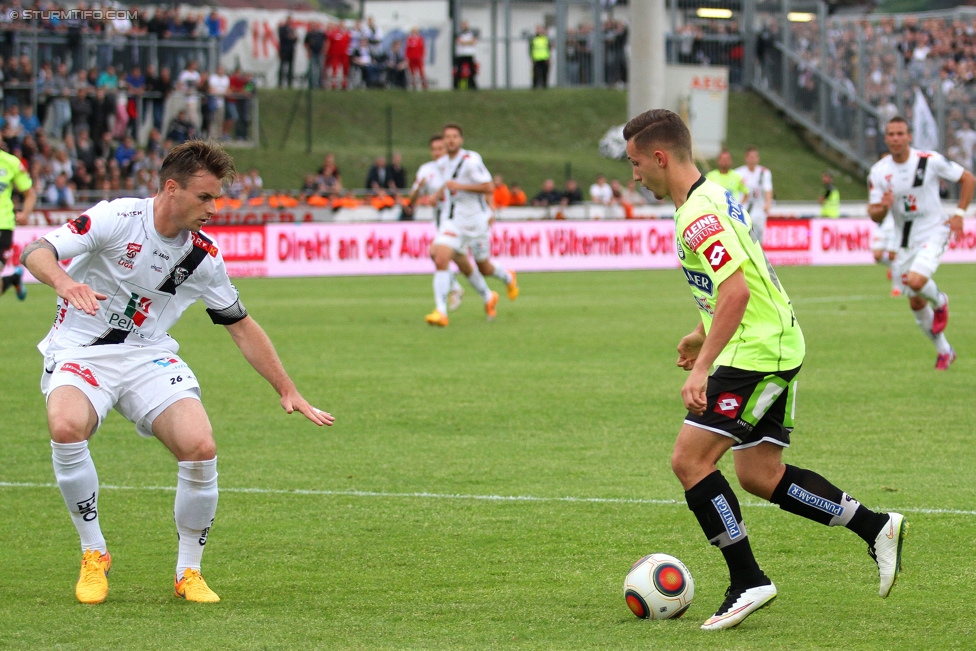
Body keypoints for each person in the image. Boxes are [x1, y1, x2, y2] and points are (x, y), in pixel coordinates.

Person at [623, 108, 906, 631]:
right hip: (774, 340)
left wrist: (701, 367)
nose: (634, 174)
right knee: (760, 475)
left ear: (660, 157)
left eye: (636, 163)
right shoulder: (711, 199)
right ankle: (876, 526)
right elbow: (735, 284)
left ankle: (747, 579)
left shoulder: (699, 214)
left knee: (689, 461)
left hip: (757, 351)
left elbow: (737, 291)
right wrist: (700, 333)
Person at [20, 141, 334, 606]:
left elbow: (241, 326)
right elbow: (37, 250)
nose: (214, 208)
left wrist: (287, 389)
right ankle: (93, 554)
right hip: (81, 352)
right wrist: (66, 283)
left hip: (148, 355)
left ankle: (189, 571)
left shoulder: (203, 256)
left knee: (200, 446)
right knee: (66, 427)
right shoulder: (117, 217)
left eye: (216, 197)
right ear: (172, 188)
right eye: (205, 197)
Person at [867, 116, 975, 370]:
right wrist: (883, 206)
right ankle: (945, 351)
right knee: (915, 300)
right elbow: (874, 215)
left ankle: (940, 301)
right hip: (904, 241)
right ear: (886, 138)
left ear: (909, 137)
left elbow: (968, 178)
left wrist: (959, 215)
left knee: (915, 281)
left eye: (900, 133)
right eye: (890, 134)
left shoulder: (929, 161)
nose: (895, 138)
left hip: (934, 232)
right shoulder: (879, 171)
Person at [425, 123, 518, 326]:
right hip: (454, 222)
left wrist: (486, 206)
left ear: (461, 140)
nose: (451, 140)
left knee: (484, 267)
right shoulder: (444, 164)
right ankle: (441, 312)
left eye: (455, 136)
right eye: (447, 137)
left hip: (476, 223)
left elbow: (488, 186)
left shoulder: (470, 161)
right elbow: (449, 185)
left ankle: (507, 278)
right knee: (440, 258)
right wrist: (436, 195)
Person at [406, 134, 464, 309]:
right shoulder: (426, 170)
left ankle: (455, 295)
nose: (437, 152)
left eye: (441, 149)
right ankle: (457, 290)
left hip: (459, 220)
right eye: (434, 149)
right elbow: (411, 199)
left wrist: (436, 195)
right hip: (440, 221)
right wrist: (419, 189)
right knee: (440, 256)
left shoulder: (457, 166)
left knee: (450, 257)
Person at [0, 145, 35, 301]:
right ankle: (13, 279)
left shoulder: (10, 162)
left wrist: (25, 213)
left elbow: (30, 194)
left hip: (3, 226)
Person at [735, 146, 773, 243]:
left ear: (758, 158)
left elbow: (768, 189)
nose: (752, 159)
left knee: (759, 239)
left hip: (759, 210)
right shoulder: (738, 173)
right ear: (746, 158)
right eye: (750, 157)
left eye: (754, 156)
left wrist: (768, 203)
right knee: (745, 238)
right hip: (744, 211)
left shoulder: (764, 172)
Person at [453, 21, 478, 90]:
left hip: (469, 54)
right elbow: (460, 42)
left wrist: (464, 42)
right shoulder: (458, 34)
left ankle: (472, 85)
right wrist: (468, 42)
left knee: (472, 71)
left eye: (465, 25)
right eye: (463, 25)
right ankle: (456, 85)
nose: (464, 26)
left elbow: (473, 42)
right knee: (459, 71)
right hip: (461, 54)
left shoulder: (471, 33)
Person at [278, 16, 298, 89]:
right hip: (284, 50)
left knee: (291, 67)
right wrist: (290, 37)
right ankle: (280, 83)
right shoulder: (282, 28)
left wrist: (292, 37)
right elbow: (283, 37)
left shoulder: (292, 29)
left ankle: (290, 83)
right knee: (282, 66)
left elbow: (295, 39)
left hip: (291, 50)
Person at [530, 25, 551, 89]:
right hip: (536, 59)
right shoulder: (534, 39)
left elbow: (548, 49)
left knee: (545, 72)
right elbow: (531, 49)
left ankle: (544, 86)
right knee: (536, 73)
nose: (540, 31)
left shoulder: (545, 38)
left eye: (541, 29)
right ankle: (535, 86)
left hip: (545, 58)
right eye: (538, 29)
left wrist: (548, 57)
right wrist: (532, 58)